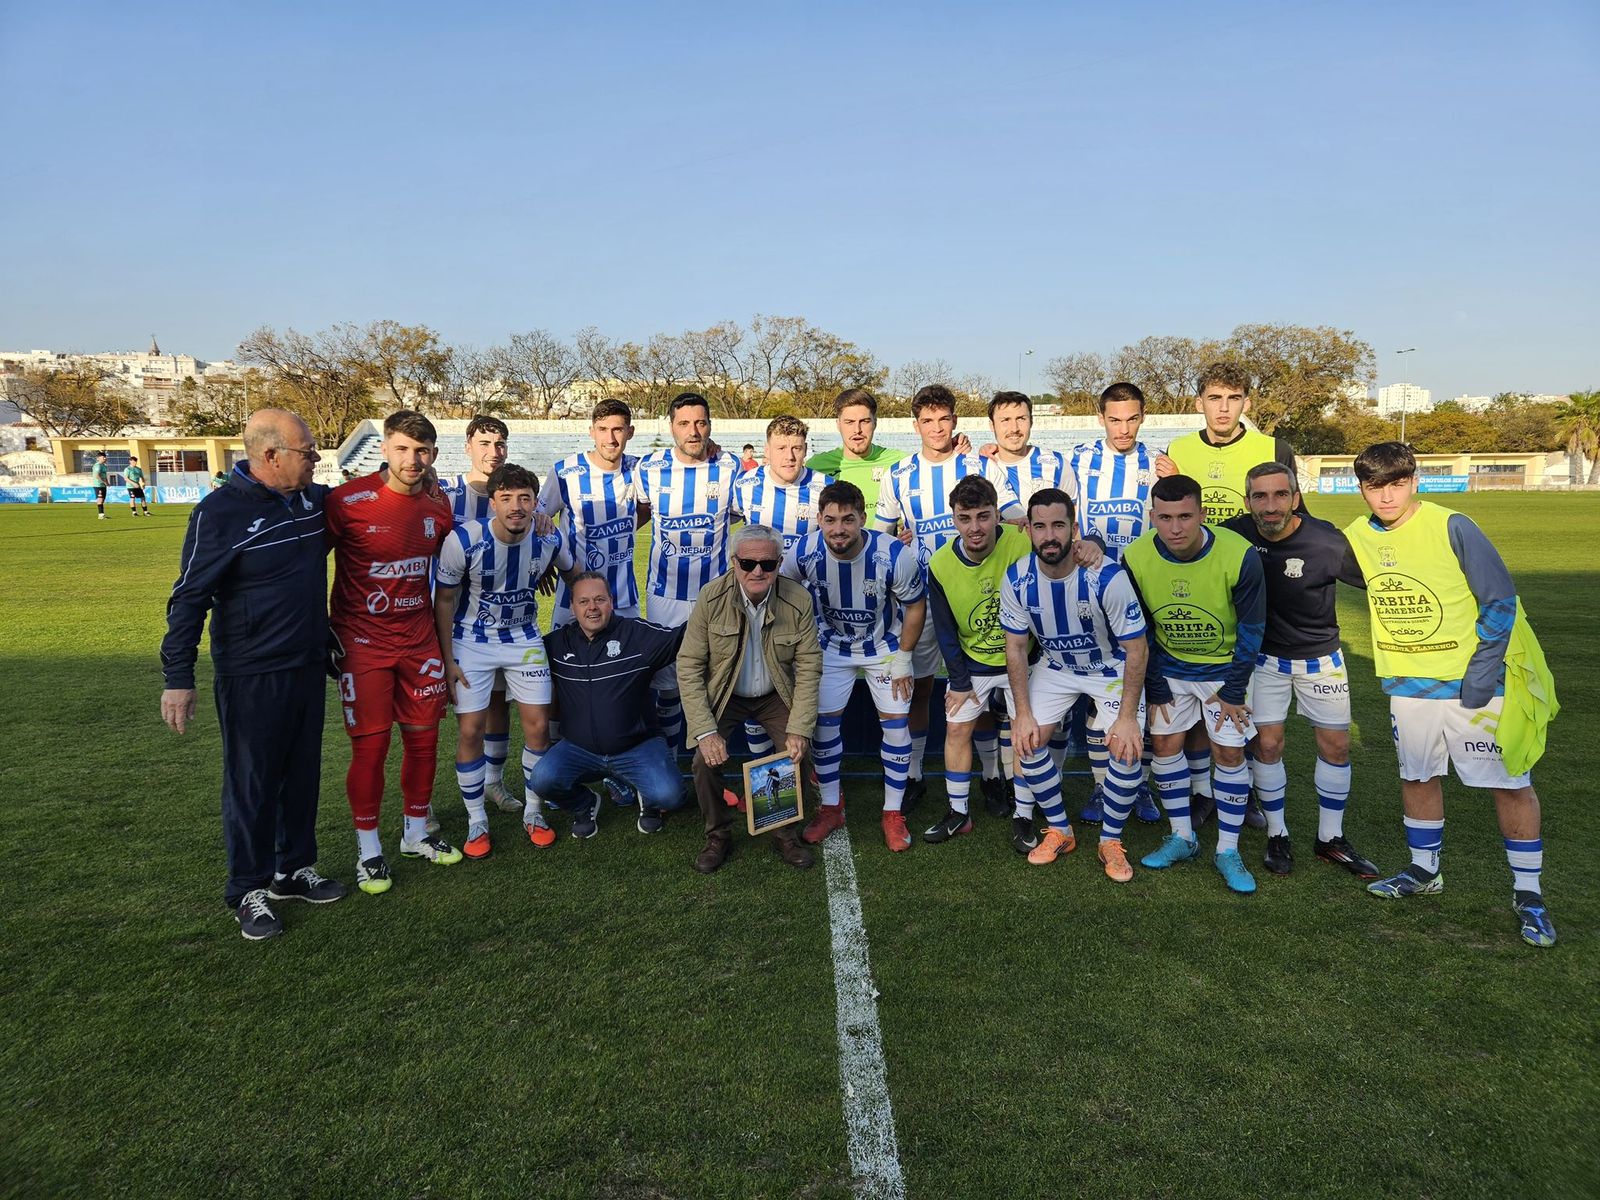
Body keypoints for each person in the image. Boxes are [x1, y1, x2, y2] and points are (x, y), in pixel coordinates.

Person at [1344, 441, 1558, 948]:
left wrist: (1482, 675)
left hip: (1472, 687)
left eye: (1397, 484)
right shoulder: (1357, 534)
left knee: (1508, 782)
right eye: (1375, 486)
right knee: (1417, 776)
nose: (1387, 496)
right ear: (1362, 489)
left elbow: (1501, 602)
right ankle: (1424, 870)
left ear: (1414, 481)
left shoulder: (1452, 525)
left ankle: (1529, 894)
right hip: (1407, 686)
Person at [159, 408, 346, 940]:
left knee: (302, 771)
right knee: (253, 781)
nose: (315, 460)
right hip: (251, 671)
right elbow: (188, 597)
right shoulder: (219, 513)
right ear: (270, 456)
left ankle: (293, 868)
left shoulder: (313, 501)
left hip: (307, 664)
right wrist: (178, 677)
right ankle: (248, 888)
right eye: (307, 452)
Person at [1223, 462, 1379, 879]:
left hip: (1321, 658)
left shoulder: (1327, 540)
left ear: (1295, 498)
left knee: (1336, 747)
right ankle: (1278, 833)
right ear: (1247, 501)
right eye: (1260, 496)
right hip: (1262, 659)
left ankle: (1330, 838)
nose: (1270, 506)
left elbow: (1381, 579)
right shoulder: (1234, 535)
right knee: (1268, 747)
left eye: (1279, 495)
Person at [326, 409, 460, 894]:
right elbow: (301, 567)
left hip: (419, 638)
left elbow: (456, 567)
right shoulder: (347, 502)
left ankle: (416, 832)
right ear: (384, 448)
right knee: (373, 746)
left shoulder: (438, 507)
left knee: (424, 740)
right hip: (363, 644)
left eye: (422, 451)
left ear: (434, 455)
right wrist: (321, 630)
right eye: (403, 449)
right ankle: (369, 851)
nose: (413, 459)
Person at [1163, 362, 1297, 831]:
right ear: (1198, 402)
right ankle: (1203, 793)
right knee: (1201, 706)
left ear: (1247, 402)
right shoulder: (1178, 449)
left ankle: (1251, 795)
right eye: (1214, 398)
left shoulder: (1272, 448)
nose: (1223, 408)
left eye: (1233, 398)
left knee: (1242, 708)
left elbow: (1290, 516)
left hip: (1251, 587)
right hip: (1192, 592)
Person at [874, 384, 1021, 804]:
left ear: (955, 420)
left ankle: (994, 775)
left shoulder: (981, 463)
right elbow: (882, 536)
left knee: (986, 690)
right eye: (927, 420)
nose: (937, 428)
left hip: (979, 595)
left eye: (944, 419)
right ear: (915, 424)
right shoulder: (899, 474)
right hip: (920, 598)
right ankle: (916, 773)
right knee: (919, 688)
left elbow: (1011, 515)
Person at [1121, 474, 1266, 894]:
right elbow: (1140, 627)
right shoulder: (1136, 556)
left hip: (1226, 669)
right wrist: (1157, 684)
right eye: (1165, 518)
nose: (1176, 528)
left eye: (1185, 516)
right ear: (1152, 518)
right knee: (1165, 747)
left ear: (1202, 514)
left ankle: (1228, 849)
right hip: (1170, 669)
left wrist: (1235, 688)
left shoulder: (1239, 555)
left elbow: (1254, 628)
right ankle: (1182, 837)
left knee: (1228, 751)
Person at [1004, 489, 1150, 879]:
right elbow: (1016, 648)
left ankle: (1110, 841)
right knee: (1027, 739)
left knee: (1125, 745)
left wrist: (1127, 717)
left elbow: (1136, 649)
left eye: (1058, 525)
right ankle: (1060, 829)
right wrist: (1021, 713)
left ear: (1074, 529)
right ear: (1029, 530)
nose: (1049, 535)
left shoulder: (1107, 576)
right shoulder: (1017, 577)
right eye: (1040, 526)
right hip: (1055, 667)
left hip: (1109, 668)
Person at [434, 463, 568, 859]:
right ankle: (477, 821)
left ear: (534, 503)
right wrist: (447, 658)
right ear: (492, 502)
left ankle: (534, 812)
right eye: (506, 498)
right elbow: (443, 600)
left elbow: (575, 571)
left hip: (523, 640)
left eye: (524, 498)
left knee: (539, 726)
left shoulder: (547, 537)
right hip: (471, 643)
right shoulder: (464, 540)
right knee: (471, 730)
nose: (516, 507)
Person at [784, 481, 927, 851]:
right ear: (819, 519)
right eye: (830, 520)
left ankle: (893, 813)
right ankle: (832, 806)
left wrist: (904, 657)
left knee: (896, 726)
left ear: (863, 518)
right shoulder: (804, 550)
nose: (838, 529)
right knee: (824, 725)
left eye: (848, 519)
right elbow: (781, 590)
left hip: (884, 646)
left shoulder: (893, 554)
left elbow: (915, 605)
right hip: (830, 645)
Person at [678, 524, 822, 873]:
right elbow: (688, 664)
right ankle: (718, 835)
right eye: (747, 563)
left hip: (776, 692)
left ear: (779, 563)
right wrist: (705, 731)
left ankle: (785, 834)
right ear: (733, 562)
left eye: (768, 564)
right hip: (727, 694)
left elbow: (808, 666)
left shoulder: (798, 599)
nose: (757, 571)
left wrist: (800, 729)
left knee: (796, 754)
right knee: (703, 759)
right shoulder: (711, 599)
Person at [1064, 381, 1167, 827]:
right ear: (1101, 418)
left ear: (1142, 417)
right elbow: (1058, 512)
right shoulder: (1078, 460)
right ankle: (1101, 787)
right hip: (1093, 589)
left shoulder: (1158, 461)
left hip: (1144, 588)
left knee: (1136, 692)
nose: (1123, 427)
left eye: (1131, 418)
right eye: (1114, 418)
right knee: (1097, 692)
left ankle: (1138, 784)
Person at [530, 573, 690, 837]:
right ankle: (585, 804)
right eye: (583, 601)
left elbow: (683, 636)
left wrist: (714, 605)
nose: (592, 607)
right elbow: (520, 658)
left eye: (599, 599)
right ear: (572, 607)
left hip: (637, 747)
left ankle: (649, 801)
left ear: (611, 602)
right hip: (579, 750)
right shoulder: (557, 644)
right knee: (542, 779)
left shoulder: (637, 635)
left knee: (671, 796)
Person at [924, 475, 1033, 843]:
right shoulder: (940, 564)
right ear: (953, 519)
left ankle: (1024, 812)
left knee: (1024, 734)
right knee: (956, 727)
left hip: (1025, 661)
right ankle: (959, 811)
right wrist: (958, 681)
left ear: (998, 515)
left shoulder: (1022, 545)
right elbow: (944, 629)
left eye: (984, 516)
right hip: (973, 664)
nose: (975, 527)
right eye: (965, 518)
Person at [634, 392, 743, 756]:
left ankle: (707, 764)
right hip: (665, 595)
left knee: (717, 680)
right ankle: (670, 759)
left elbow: (751, 511)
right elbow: (635, 513)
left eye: (701, 423)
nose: (693, 431)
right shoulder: (648, 468)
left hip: (715, 596)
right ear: (671, 427)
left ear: (710, 426)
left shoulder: (731, 467)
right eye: (684, 423)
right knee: (668, 684)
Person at [439, 415, 520, 810]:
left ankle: (493, 782)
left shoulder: (512, 494)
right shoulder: (443, 493)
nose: (493, 451)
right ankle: (425, 803)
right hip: (448, 619)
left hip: (499, 622)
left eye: (500, 443)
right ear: (468, 446)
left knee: (498, 705)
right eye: (485, 443)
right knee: (440, 710)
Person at [538, 399, 650, 627]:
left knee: (626, 661)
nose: (610, 439)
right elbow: (536, 518)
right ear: (592, 432)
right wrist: (545, 560)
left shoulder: (640, 470)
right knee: (566, 661)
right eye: (603, 430)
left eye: (618, 429)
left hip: (623, 598)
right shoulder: (565, 473)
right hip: (571, 596)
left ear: (630, 432)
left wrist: (711, 449)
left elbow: (647, 508)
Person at [804, 387, 907, 516]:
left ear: (875, 423)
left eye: (864, 421)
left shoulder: (900, 463)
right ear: (838, 424)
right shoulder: (816, 466)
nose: (857, 430)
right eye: (849, 422)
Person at [92, 450, 110, 519]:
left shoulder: (104, 466)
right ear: (98, 458)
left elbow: (104, 475)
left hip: (103, 485)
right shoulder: (97, 465)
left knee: (102, 499)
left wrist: (107, 482)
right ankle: (101, 515)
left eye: (105, 457)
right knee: (100, 499)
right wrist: (103, 482)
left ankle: (102, 514)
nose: (105, 458)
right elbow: (97, 475)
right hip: (98, 485)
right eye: (103, 457)